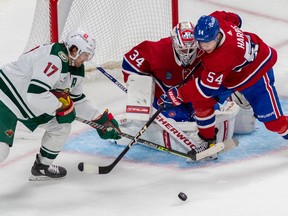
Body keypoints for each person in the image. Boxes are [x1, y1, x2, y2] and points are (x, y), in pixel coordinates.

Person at [0, 28, 121, 180]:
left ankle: (41, 167)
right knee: (1, 151)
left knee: (61, 127)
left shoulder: (76, 69)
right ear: (74, 49)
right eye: (84, 54)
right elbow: (36, 94)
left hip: (28, 104)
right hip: (5, 99)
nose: (86, 58)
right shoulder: (55, 58)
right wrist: (61, 107)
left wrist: (100, 119)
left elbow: (77, 100)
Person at [163, 10, 284, 153]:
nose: (204, 47)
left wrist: (179, 94)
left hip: (256, 73)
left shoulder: (221, 58)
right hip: (233, 73)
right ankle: (208, 142)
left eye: (208, 43)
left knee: (274, 124)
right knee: (201, 102)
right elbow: (236, 19)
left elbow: (205, 88)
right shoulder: (217, 18)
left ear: (217, 35)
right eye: (201, 43)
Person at [121, 21, 240, 156]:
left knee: (209, 112)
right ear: (174, 43)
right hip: (167, 98)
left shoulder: (207, 50)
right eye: (183, 50)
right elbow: (129, 64)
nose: (187, 55)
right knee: (180, 118)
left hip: (194, 94)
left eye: (192, 49)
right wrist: (141, 90)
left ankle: (208, 143)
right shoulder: (158, 50)